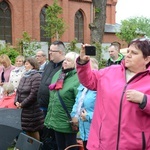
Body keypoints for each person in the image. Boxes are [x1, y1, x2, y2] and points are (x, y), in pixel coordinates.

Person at [76, 38, 150, 149]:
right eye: (128, 51)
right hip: (102, 144)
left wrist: (144, 100)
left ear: (147, 59)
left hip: (134, 146)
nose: (128, 55)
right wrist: (83, 62)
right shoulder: (110, 71)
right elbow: (88, 81)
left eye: (134, 53)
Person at [44, 52, 80, 150]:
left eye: (69, 61)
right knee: (60, 147)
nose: (65, 62)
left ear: (76, 63)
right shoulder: (59, 74)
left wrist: (76, 117)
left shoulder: (78, 78)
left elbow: (80, 100)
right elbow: (53, 97)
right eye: (65, 60)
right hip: (56, 119)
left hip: (68, 121)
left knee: (70, 147)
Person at [37, 41, 66, 149]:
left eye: (52, 51)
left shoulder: (64, 67)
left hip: (52, 108)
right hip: (42, 105)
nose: (49, 53)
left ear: (60, 52)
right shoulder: (50, 64)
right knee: (44, 135)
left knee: (51, 138)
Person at [71, 57, 98, 150]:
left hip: (95, 132)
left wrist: (88, 116)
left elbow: (105, 111)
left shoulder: (99, 87)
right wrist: (74, 115)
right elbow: (78, 102)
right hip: (84, 131)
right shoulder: (83, 85)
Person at [15, 57, 44, 141]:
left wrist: (22, 104)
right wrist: (16, 101)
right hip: (24, 110)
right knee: (27, 130)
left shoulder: (36, 76)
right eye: (25, 64)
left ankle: (36, 147)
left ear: (33, 65)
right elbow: (18, 90)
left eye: (27, 64)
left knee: (33, 130)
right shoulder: (24, 76)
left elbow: (34, 94)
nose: (25, 65)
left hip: (32, 110)